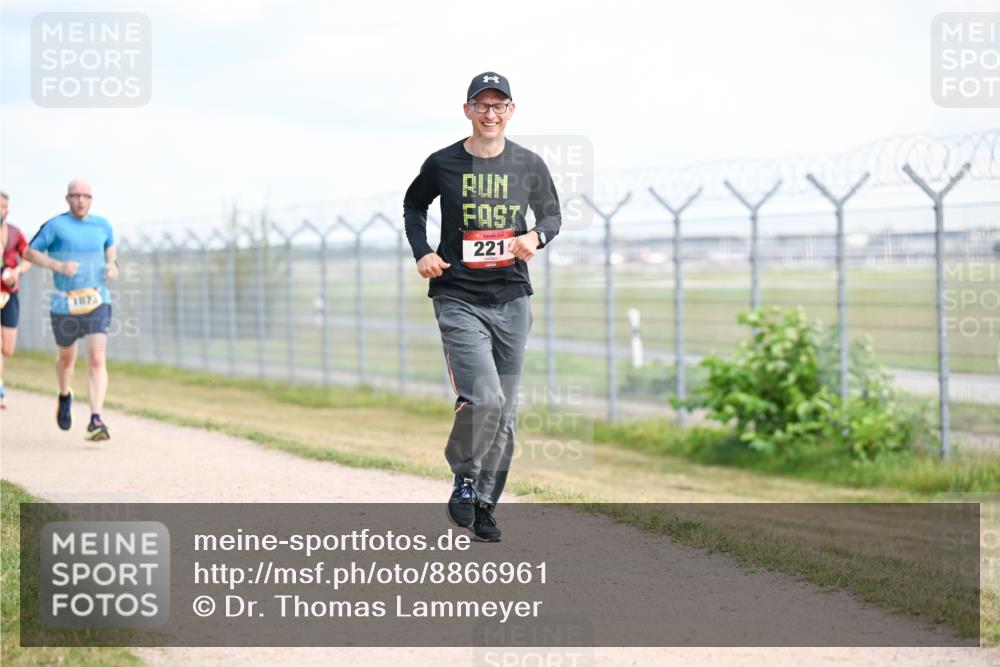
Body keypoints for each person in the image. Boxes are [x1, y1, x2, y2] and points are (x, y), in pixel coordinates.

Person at [403, 72, 562, 541]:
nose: (490, 114)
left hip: (512, 297)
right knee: (485, 399)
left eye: (499, 105)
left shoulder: (528, 164)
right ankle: (465, 478)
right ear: (468, 110)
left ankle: (486, 504)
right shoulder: (444, 163)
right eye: (482, 105)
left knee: (506, 412)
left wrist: (536, 236)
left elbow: (552, 215)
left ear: (511, 111)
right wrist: (423, 252)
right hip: (458, 297)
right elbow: (414, 206)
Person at [24, 179, 117, 441]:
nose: (80, 200)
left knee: (97, 358)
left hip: (97, 300)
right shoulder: (55, 226)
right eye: (75, 195)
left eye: (85, 196)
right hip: (64, 303)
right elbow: (30, 253)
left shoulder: (103, 225)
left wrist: (112, 265)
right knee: (67, 359)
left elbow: (110, 249)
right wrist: (57, 265)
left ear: (91, 199)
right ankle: (64, 394)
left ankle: (96, 418)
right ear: (67, 198)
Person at [1, 191, 33, 409]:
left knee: (8, 349)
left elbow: (29, 257)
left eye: (3, 207)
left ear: (7, 210)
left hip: (9, 294)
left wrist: (17, 272)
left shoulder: (14, 233)